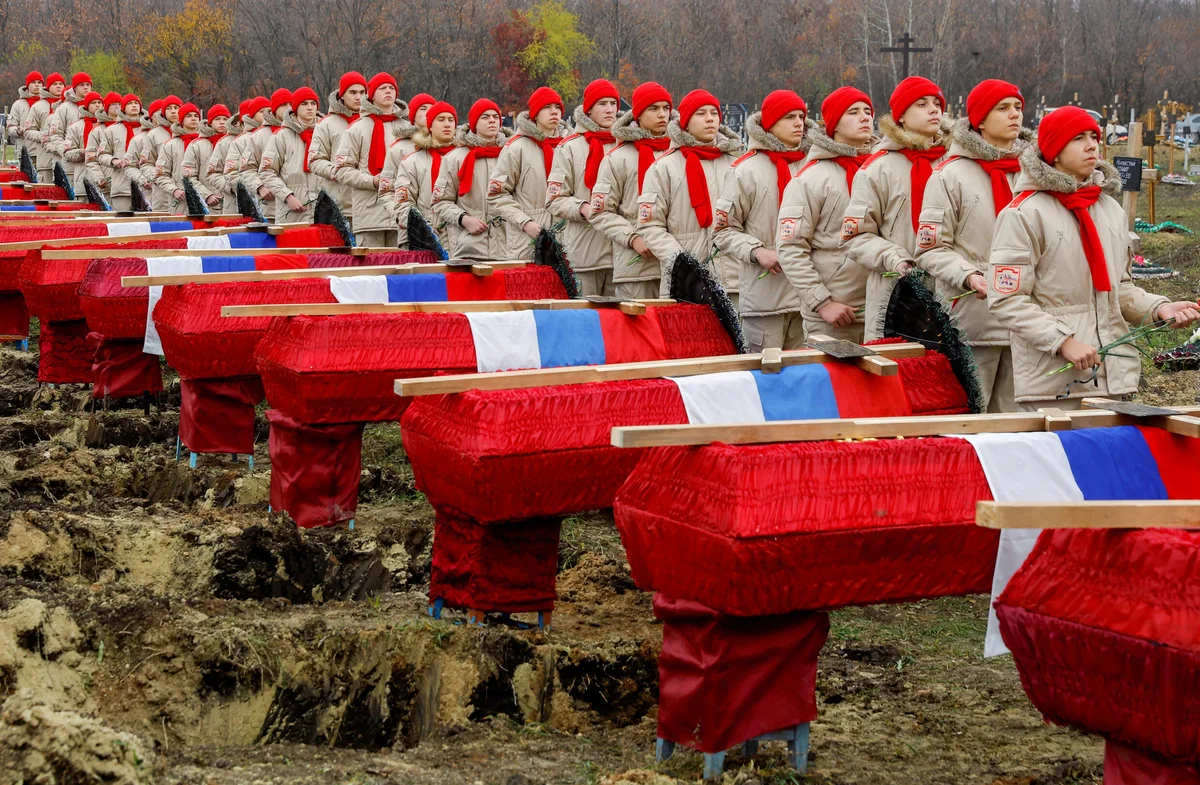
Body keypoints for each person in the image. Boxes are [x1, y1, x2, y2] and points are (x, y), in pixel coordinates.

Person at [989, 106, 1200, 411]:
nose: (1092, 145)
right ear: (1055, 152)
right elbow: (1006, 300)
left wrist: (1158, 308)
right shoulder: (1023, 214)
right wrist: (1063, 341)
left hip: (1111, 378)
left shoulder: (1109, 211)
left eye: (1093, 136)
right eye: (1078, 138)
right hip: (1051, 386)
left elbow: (1119, 287)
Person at [916, 79, 1031, 411]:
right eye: (1003, 108)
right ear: (980, 120)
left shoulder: (1033, 174)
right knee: (970, 416)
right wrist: (968, 275)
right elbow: (931, 248)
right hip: (972, 319)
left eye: (1018, 108)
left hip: (1024, 324)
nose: (1014, 115)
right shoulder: (948, 176)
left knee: (1014, 424)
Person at [841, 76, 948, 340]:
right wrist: (895, 258)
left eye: (937, 103)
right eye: (922, 104)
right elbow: (854, 237)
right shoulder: (878, 168)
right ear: (900, 117)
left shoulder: (954, 165)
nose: (934, 109)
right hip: (895, 295)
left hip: (951, 293)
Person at [776, 86, 875, 343]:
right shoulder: (810, 179)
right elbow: (791, 248)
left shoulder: (880, 172)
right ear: (834, 125)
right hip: (837, 314)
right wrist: (822, 303)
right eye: (853, 112)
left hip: (883, 309)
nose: (865, 117)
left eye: (868, 111)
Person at [714, 89, 809, 350]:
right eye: (789, 117)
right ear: (769, 124)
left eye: (801, 116)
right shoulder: (746, 170)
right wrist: (757, 252)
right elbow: (723, 232)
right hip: (765, 298)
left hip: (810, 300)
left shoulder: (812, 167)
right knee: (766, 378)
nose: (799, 123)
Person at [636, 89, 744, 299]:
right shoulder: (663, 168)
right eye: (701, 113)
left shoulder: (736, 165)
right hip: (684, 284)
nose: (710, 119)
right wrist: (682, 262)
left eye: (714, 112)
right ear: (685, 122)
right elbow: (650, 226)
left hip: (733, 280)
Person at [588, 82, 673, 299]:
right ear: (638, 115)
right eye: (653, 109)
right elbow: (601, 212)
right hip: (637, 267)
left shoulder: (679, 156)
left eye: (665, 108)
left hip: (675, 267)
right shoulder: (618, 158)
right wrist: (632, 238)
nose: (662, 114)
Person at [546, 79, 620, 296]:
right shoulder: (569, 147)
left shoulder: (625, 146)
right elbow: (554, 199)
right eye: (602, 104)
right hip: (585, 252)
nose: (610, 110)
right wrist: (581, 208)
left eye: (613, 104)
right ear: (588, 110)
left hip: (622, 254)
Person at [488, 86, 569, 259]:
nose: (554, 112)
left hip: (567, 241)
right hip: (527, 242)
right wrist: (525, 223)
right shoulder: (517, 148)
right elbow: (497, 195)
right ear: (535, 114)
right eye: (547, 107)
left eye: (557, 107)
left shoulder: (569, 146)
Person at [431, 98, 510, 260]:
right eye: (485, 117)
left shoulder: (511, 154)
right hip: (470, 247)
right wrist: (463, 219)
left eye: (495, 117)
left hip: (509, 247)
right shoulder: (455, 158)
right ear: (474, 123)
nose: (492, 121)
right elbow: (440, 202)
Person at [334, 72, 407, 246]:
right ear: (371, 95)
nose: (388, 91)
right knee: (371, 269)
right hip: (368, 214)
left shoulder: (408, 128)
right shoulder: (357, 129)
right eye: (382, 88)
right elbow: (342, 170)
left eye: (391, 88)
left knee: (400, 268)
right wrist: (372, 181)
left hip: (400, 214)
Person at [394, 100, 456, 248]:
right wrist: (423, 228)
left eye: (451, 120)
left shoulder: (465, 159)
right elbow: (403, 204)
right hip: (424, 239)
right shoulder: (412, 162)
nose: (447, 124)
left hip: (459, 238)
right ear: (430, 126)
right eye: (441, 120)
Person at [308, 72, 365, 222]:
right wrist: (334, 170)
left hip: (370, 206)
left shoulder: (373, 122)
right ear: (342, 95)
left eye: (362, 92)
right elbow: (314, 160)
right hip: (340, 204)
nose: (358, 97)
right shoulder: (326, 124)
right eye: (353, 92)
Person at [258, 87, 321, 222]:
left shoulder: (324, 132)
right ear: (296, 107)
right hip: (291, 213)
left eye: (313, 103)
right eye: (304, 104)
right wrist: (287, 196)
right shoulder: (281, 136)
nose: (310, 108)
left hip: (322, 212)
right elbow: (266, 172)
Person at [242, 88, 291, 220]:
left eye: (291, 104)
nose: (288, 108)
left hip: (297, 206)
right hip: (270, 205)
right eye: (283, 104)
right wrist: (260, 187)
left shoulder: (299, 134)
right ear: (274, 108)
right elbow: (246, 169)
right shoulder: (259, 136)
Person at [216, 97, 268, 214]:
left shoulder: (272, 136)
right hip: (237, 201)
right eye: (261, 111)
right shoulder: (233, 141)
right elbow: (227, 172)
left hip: (268, 201)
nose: (265, 114)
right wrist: (252, 188)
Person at [378, 92, 428, 206]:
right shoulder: (398, 148)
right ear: (413, 116)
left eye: (433, 109)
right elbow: (386, 192)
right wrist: (402, 216)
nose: (428, 112)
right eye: (423, 108)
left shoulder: (449, 147)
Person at [155, 102, 204, 214]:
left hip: (204, 198)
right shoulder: (170, 145)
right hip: (180, 200)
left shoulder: (207, 143)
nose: (193, 119)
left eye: (196, 116)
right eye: (189, 116)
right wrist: (174, 190)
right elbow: (161, 175)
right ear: (181, 120)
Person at [183, 103, 231, 211]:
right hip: (207, 205)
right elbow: (189, 176)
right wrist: (206, 195)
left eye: (225, 118)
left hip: (231, 202)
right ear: (209, 122)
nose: (222, 122)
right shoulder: (197, 145)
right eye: (217, 119)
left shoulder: (234, 142)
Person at [47, 71, 93, 183]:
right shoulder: (64, 108)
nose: (86, 87)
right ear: (75, 88)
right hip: (70, 165)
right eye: (82, 85)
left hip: (93, 165)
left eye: (88, 85)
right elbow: (55, 135)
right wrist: (68, 153)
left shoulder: (96, 106)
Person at [139, 95, 182, 211]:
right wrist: (159, 176)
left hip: (185, 192)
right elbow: (145, 163)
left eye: (176, 107)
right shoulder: (154, 134)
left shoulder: (193, 133)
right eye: (169, 108)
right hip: (162, 192)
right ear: (163, 112)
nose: (173, 111)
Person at [23, 72, 66, 183]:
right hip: (45, 159)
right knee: (46, 192)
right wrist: (44, 136)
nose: (58, 86)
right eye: (55, 84)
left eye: (61, 84)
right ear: (48, 87)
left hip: (65, 160)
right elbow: (28, 131)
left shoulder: (68, 106)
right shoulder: (38, 106)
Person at [62, 91, 104, 194]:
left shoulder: (109, 127)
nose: (97, 105)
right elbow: (67, 152)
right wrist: (82, 152)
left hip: (104, 178)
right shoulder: (76, 127)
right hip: (83, 174)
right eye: (93, 103)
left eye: (99, 102)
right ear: (87, 106)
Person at [9, 72, 42, 160]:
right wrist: (18, 130)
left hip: (44, 152)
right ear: (27, 85)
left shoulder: (48, 104)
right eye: (33, 82)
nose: (37, 85)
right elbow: (10, 127)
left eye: (39, 82)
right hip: (26, 152)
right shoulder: (18, 104)